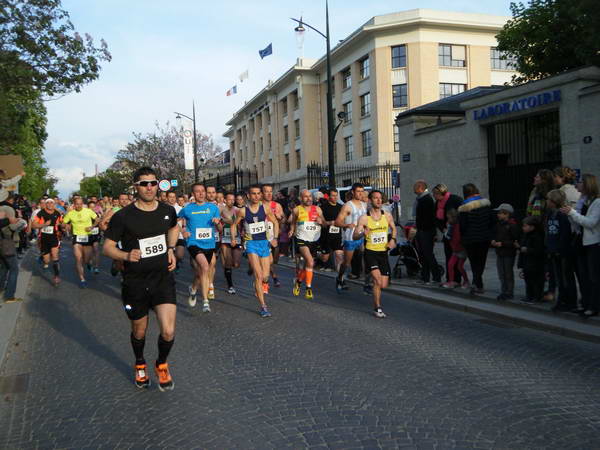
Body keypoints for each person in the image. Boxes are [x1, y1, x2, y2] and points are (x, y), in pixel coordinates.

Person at [103, 167, 179, 391]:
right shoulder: (123, 216)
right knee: (139, 330)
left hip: (162, 278)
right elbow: (107, 248)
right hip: (135, 281)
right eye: (144, 184)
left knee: (168, 331)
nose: (149, 187)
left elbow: (174, 228)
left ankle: (161, 364)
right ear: (135, 187)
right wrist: (125, 255)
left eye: (153, 183)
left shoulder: (167, 211)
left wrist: (171, 248)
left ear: (158, 185)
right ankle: (139, 363)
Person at [231, 185, 279, 318]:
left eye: (258, 193)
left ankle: (258, 282)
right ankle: (263, 306)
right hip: (251, 243)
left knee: (265, 276)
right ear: (248, 195)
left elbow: (275, 222)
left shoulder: (266, 208)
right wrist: (233, 238)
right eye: (253, 194)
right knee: (258, 275)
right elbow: (234, 225)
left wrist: (274, 238)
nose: (256, 196)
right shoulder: (243, 211)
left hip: (264, 243)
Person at [560, 174, 600, 318]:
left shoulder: (597, 202)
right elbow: (577, 224)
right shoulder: (582, 201)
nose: (578, 184)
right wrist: (570, 214)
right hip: (580, 242)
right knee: (583, 276)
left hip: (593, 243)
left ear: (588, 184)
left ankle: (594, 306)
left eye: (580, 182)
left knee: (593, 277)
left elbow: (590, 223)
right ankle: (585, 303)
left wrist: (572, 213)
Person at [352, 190, 397, 318]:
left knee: (383, 284)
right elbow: (355, 236)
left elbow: (393, 229)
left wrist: (393, 240)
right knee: (377, 281)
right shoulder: (364, 218)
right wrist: (362, 234)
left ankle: (371, 280)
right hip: (370, 252)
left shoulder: (387, 216)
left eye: (380, 198)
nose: (378, 200)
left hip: (383, 252)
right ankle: (377, 308)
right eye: (375, 198)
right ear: (371, 201)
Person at [179, 184, 221, 313]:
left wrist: (217, 223)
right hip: (193, 242)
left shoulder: (213, 208)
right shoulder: (187, 209)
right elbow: (176, 221)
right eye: (197, 192)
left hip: (209, 244)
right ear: (193, 194)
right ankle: (205, 302)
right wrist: (183, 230)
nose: (201, 194)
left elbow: (219, 228)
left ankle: (193, 288)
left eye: (203, 191)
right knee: (204, 267)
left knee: (200, 273)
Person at [457, 183, 495, 295]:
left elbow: (462, 226)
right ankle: (478, 284)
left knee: (474, 262)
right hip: (484, 238)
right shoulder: (486, 204)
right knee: (481, 261)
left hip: (470, 239)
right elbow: (492, 221)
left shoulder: (464, 208)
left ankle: (476, 283)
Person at [289, 189, 325, 300]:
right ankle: (308, 288)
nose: (308, 198)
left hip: (314, 240)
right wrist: (291, 230)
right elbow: (293, 222)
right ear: (301, 198)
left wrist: (321, 221)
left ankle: (299, 282)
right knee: (310, 261)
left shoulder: (317, 209)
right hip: (301, 239)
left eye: (310, 196)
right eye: (305, 196)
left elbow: (324, 224)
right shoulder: (296, 210)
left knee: (307, 266)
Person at [544, 190, 575, 312]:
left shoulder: (562, 214)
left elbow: (564, 234)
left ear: (554, 201)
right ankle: (562, 300)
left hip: (561, 251)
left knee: (565, 277)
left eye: (548, 199)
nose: (546, 201)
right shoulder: (551, 214)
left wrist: (559, 249)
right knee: (558, 277)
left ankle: (569, 302)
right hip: (552, 250)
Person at [334, 183, 367, 293]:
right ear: (353, 192)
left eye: (362, 191)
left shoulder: (364, 205)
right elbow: (337, 222)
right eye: (358, 191)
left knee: (366, 259)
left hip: (362, 236)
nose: (360, 193)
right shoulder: (348, 206)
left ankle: (367, 284)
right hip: (350, 238)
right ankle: (339, 278)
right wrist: (346, 225)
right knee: (346, 263)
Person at [62, 197, 99, 288]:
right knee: (78, 259)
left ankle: (88, 263)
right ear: (74, 204)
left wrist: (92, 227)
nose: (78, 206)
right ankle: (82, 279)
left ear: (82, 204)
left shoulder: (88, 211)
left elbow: (97, 220)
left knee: (86, 259)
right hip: (76, 237)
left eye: (80, 204)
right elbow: (63, 223)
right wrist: (65, 225)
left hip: (87, 236)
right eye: (76, 204)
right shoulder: (70, 213)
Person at [432, 184, 463, 284]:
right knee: (448, 256)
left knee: (456, 258)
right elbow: (436, 219)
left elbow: (462, 215)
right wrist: (443, 229)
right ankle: (449, 279)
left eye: (435, 194)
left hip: (456, 233)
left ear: (440, 193)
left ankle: (457, 279)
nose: (434, 196)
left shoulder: (455, 199)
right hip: (447, 233)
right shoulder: (437, 203)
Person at [413, 180, 441, 285]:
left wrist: (423, 229)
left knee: (428, 254)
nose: (413, 188)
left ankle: (436, 277)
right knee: (423, 255)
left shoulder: (426, 199)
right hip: (422, 230)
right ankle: (425, 277)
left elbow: (428, 218)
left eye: (415, 186)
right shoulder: (421, 199)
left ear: (420, 187)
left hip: (426, 231)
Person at [490, 203, 520, 300]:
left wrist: (502, 244)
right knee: (501, 273)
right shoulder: (499, 225)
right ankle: (504, 291)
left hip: (508, 253)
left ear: (507, 214)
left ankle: (509, 292)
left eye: (500, 213)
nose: (498, 215)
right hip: (500, 252)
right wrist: (493, 241)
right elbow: (495, 235)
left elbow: (515, 241)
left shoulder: (512, 226)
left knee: (508, 274)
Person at [31, 198, 63, 286]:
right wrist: (44, 225)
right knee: (47, 260)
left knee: (55, 256)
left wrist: (63, 225)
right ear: (45, 204)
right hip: (43, 238)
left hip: (54, 237)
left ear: (54, 204)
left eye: (51, 203)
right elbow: (34, 225)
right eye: (48, 203)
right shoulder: (40, 213)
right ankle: (43, 259)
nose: (49, 204)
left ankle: (56, 277)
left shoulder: (57, 213)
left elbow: (62, 223)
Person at [0, 200, 26, 303]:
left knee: (4, 267)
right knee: (14, 269)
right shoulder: (8, 209)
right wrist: (21, 221)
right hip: (7, 242)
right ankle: (9, 296)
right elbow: (12, 227)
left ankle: (1, 288)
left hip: (2, 242)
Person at [517, 216, 545, 304]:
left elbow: (539, 250)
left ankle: (536, 297)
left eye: (525, 226)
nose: (523, 228)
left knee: (536, 281)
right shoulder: (525, 235)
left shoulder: (537, 236)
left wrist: (527, 249)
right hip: (527, 262)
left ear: (532, 227)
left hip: (535, 263)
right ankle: (529, 296)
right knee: (528, 280)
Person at [262, 183, 285, 288]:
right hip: (261, 236)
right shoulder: (258, 205)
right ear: (262, 193)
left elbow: (283, 219)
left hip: (273, 235)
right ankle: (271, 279)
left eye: (270, 191)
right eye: (266, 191)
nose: (269, 193)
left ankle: (255, 267)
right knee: (269, 260)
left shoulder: (277, 205)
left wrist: (280, 218)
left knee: (274, 261)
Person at [219, 192, 242, 294]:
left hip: (236, 238)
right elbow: (215, 219)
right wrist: (223, 220)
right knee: (228, 262)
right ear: (225, 200)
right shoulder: (220, 209)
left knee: (236, 264)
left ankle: (227, 270)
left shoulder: (237, 210)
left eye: (233, 200)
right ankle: (230, 285)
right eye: (229, 199)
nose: (232, 201)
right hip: (224, 238)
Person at [441, 209, 469, 290]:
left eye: (449, 218)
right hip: (456, 249)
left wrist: (446, 231)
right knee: (450, 265)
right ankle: (451, 281)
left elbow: (453, 237)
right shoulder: (451, 225)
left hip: (461, 249)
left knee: (460, 266)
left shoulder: (456, 226)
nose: (448, 220)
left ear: (454, 218)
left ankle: (466, 281)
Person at [319, 188, 344, 273]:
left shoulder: (340, 207)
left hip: (337, 235)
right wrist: (330, 222)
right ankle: (321, 261)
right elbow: (320, 222)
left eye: (336, 195)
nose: (335, 197)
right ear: (328, 196)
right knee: (325, 258)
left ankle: (340, 278)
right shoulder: (322, 207)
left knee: (339, 255)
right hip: (326, 235)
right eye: (333, 195)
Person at [166, 191, 185, 272]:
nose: (172, 198)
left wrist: (184, 227)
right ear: (167, 198)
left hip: (180, 235)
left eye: (174, 197)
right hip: (168, 236)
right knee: (168, 255)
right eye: (170, 197)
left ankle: (177, 262)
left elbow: (184, 219)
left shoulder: (180, 209)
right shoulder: (163, 209)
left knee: (180, 255)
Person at [87, 200, 102, 274]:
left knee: (96, 250)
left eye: (93, 207)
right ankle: (89, 262)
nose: (92, 209)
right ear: (88, 208)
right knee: (89, 251)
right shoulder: (85, 215)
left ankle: (96, 267)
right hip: (87, 235)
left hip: (96, 234)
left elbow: (100, 224)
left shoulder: (97, 215)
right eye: (90, 207)